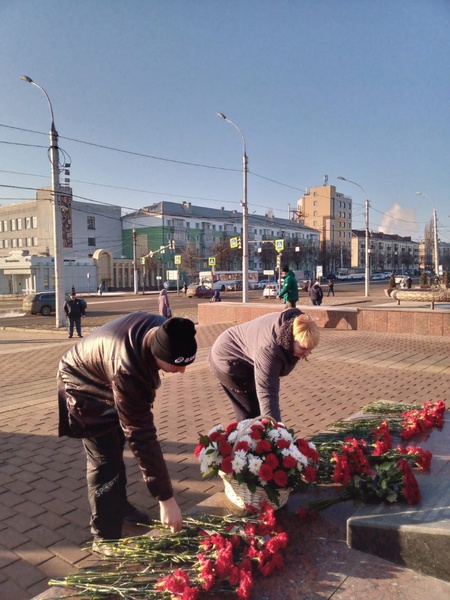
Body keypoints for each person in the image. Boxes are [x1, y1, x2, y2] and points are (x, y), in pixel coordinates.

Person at [57, 314, 198, 550]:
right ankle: (104, 535)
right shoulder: (128, 371)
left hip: (105, 370)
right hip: (81, 383)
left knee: (115, 445)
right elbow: (141, 435)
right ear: (158, 355)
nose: (182, 371)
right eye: (178, 364)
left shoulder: (167, 330)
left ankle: (118, 506)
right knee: (104, 460)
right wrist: (166, 499)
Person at [208, 309, 320, 422]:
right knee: (250, 414)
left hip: (246, 351)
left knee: (258, 414)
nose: (306, 353)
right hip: (227, 359)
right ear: (291, 339)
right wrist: (276, 430)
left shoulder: (293, 325)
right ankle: (240, 437)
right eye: (303, 348)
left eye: (310, 350)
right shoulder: (269, 350)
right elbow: (268, 392)